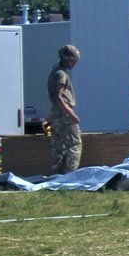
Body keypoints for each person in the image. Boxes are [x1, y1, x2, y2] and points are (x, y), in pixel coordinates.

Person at [47, 44, 81, 174]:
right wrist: (70, 113)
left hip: (56, 113)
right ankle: (71, 174)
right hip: (63, 114)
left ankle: (57, 174)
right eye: (73, 61)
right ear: (66, 59)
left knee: (59, 146)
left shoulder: (55, 72)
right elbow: (58, 96)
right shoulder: (61, 75)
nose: (74, 64)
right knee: (74, 144)